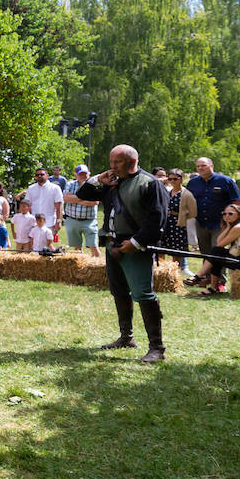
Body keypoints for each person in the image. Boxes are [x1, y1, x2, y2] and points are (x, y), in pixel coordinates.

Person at [77, 144, 169, 363]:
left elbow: (158, 219)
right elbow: (82, 193)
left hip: (135, 246)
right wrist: (99, 179)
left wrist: (135, 243)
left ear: (132, 162)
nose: (112, 166)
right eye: (111, 162)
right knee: (119, 291)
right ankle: (126, 337)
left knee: (144, 295)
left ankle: (157, 348)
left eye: (116, 162)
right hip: (112, 245)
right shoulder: (111, 181)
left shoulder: (150, 183)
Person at [185, 157, 240, 285]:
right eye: (198, 166)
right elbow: (187, 201)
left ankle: (220, 281)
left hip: (220, 224)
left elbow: (236, 202)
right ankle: (209, 278)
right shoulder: (193, 183)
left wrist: (230, 220)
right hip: (201, 223)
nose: (200, 168)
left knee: (217, 251)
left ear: (212, 166)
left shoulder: (225, 181)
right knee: (205, 252)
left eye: (203, 165)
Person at [161, 169, 196, 273]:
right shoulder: (167, 191)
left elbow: (193, 212)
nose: (172, 181)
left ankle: (177, 274)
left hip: (178, 225)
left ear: (181, 179)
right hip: (166, 223)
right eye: (170, 179)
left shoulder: (186, 194)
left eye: (175, 179)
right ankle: (163, 273)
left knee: (176, 252)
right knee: (162, 249)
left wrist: (181, 216)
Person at [62, 165, 100, 258]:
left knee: (94, 246)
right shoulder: (70, 184)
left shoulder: (94, 185)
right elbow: (65, 198)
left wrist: (74, 198)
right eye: (80, 174)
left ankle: (101, 269)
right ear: (76, 175)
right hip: (72, 220)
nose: (83, 176)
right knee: (77, 249)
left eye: (85, 174)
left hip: (89, 221)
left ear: (89, 174)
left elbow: (95, 202)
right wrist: (85, 198)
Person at [25, 168, 64, 236]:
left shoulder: (55, 188)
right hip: (34, 223)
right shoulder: (31, 188)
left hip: (49, 222)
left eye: (42, 174)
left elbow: (59, 206)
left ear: (47, 175)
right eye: (37, 175)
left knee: (47, 245)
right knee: (34, 245)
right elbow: (27, 205)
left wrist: (58, 221)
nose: (39, 176)